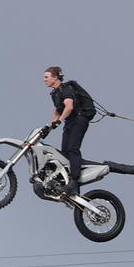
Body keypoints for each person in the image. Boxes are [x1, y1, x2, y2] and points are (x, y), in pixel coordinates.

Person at [43, 66, 92, 195]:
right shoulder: (55, 93)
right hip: (70, 122)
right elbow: (58, 110)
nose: (44, 80)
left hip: (79, 119)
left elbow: (69, 107)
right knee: (64, 153)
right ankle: (69, 185)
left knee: (72, 149)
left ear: (55, 77)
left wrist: (59, 121)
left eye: (46, 77)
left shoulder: (66, 89)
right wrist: (49, 126)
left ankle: (74, 181)